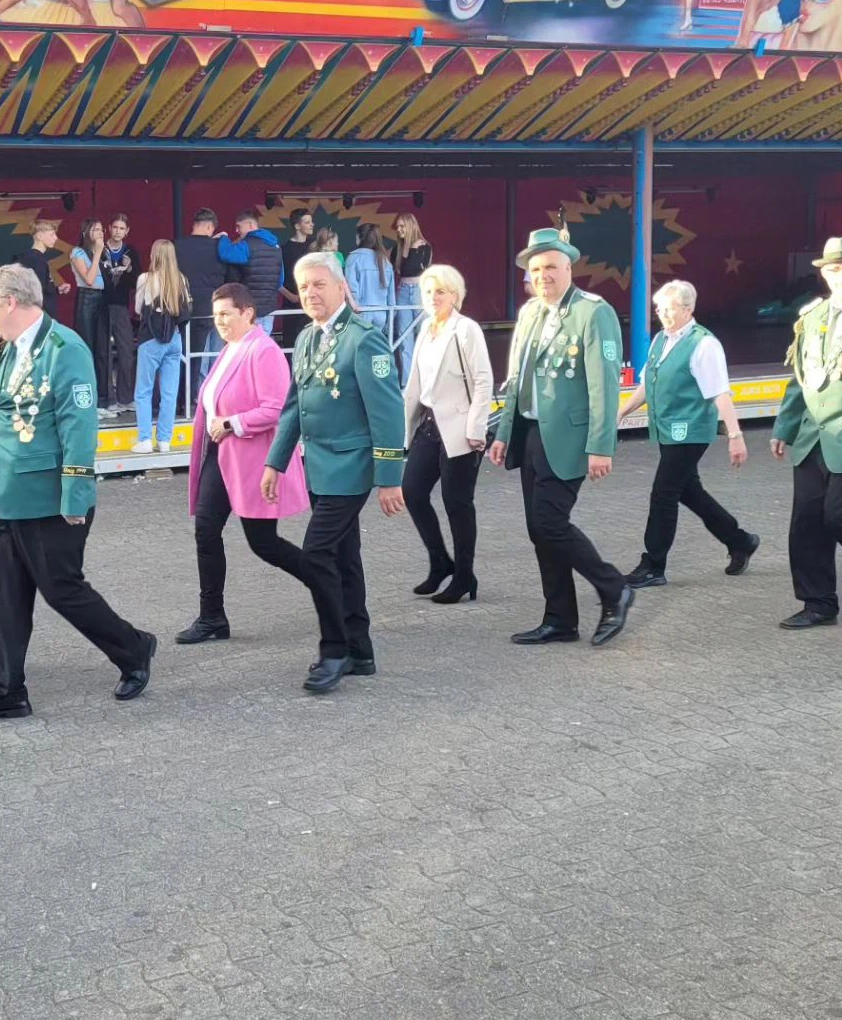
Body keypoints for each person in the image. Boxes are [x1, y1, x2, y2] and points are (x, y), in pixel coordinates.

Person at [0, 265, 157, 721]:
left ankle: (134, 648)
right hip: (10, 497)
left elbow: (79, 428)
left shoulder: (66, 349)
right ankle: (5, 691)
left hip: (48, 499)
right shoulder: (12, 350)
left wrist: (75, 496)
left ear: (10, 301)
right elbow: (0, 421)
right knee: (5, 596)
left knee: (63, 590)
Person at [262, 253, 407, 694]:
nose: (310, 293)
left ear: (342, 287)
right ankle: (360, 650)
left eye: (319, 284)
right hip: (320, 467)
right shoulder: (307, 337)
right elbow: (294, 407)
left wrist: (389, 477)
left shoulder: (363, 339)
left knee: (316, 553)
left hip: (351, 465)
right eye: (304, 286)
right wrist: (275, 462)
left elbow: (387, 410)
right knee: (344, 556)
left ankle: (335, 649)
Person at [489, 224, 634, 648]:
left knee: (550, 523)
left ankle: (614, 588)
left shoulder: (593, 312)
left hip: (570, 437)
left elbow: (604, 385)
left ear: (569, 267)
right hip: (531, 432)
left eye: (551, 267)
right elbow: (517, 379)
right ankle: (560, 619)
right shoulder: (531, 313)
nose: (543, 276)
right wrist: (503, 432)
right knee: (539, 529)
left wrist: (601, 446)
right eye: (536, 270)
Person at [178, 283, 312, 643]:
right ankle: (212, 617)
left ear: (247, 313)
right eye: (216, 315)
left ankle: (324, 579)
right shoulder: (231, 348)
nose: (220, 321)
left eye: (226, 314)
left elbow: (277, 408)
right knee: (206, 531)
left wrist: (231, 423)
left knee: (264, 543)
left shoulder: (263, 350)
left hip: (250, 460)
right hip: (219, 455)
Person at [770, 230, 842, 628]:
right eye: (835, 269)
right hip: (812, 435)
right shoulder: (812, 317)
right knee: (806, 521)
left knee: (841, 516)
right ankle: (818, 603)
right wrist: (783, 427)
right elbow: (799, 379)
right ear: (824, 273)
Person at [615, 280, 758, 588]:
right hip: (667, 429)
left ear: (688, 308)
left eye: (669, 309)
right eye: (659, 309)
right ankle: (740, 540)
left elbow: (720, 393)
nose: (663, 314)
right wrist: (621, 412)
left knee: (663, 493)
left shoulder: (704, 344)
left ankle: (653, 565)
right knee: (688, 491)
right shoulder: (660, 340)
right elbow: (646, 385)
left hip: (691, 430)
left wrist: (735, 436)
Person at [403, 265, 493, 605]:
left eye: (440, 291)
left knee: (457, 503)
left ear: (455, 295)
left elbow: (483, 380)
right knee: (412, 492)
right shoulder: (426, 329)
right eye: (428, 292)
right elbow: (416, 383)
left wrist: (476, 428)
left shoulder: (466, 329)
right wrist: (405, 427)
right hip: (429, 424)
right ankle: (440, 561)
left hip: (459, 427)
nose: (433, 298)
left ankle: (464, 576)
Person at [133, 240, 190, 453]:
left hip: (151, 339)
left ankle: (145, 440)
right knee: (169, 392)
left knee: (144, 391)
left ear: (154, 256)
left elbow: (138, 309)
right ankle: (165, 440)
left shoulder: (145, 279)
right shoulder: (181, 280)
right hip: (175, 339)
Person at [174, 208, 228, 389]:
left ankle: (187, 395)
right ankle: (208, 393)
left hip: (183, 308)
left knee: (185, 355)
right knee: (214, 356)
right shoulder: (218, 248)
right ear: (210, 227)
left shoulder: (177, 246)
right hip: (212, 308)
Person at [69, 219, 115, 419]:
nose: (100, 233)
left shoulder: (104, 253)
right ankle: (89, 403)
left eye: (101, 229)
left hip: (102, 299)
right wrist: (96, 254)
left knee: (103, 351)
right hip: (87, 298)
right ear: (86, 232)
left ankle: (103, 401)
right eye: (95, 229)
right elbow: (88, 279)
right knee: (87, 350)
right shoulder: (78, 252)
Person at [217, 208, 283, 333]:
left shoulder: (247, 245)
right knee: (263, 342)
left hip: (249, 309)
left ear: (251, 225)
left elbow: (226, 254)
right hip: (270, 309)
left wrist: (223, 237)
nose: (236, 230)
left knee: (248, 343)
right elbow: (280, 280)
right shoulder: (276, 247)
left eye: (239, 226)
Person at [101, 212, 139, 413]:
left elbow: (136, 282)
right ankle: (108, 399)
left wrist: (129, 268)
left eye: (122, 228)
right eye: (115, 227)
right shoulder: (100, 249)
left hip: (121, 306)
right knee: (104, 353)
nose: (118, 231)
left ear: (127, 231)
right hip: (101, 306)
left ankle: (126, 398)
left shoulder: (130, 251)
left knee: (126, 352)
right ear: (109, 228)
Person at [392, 212, 433, 386]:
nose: (399, 230)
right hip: (403, 291)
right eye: (398, 227)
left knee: (424, 334)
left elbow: (413, 268)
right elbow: (401, 270)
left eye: (402, 226)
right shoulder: (398, 248)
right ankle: (408, 383)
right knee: (404, 337)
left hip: (418, 291)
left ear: (411, 226)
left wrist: (413, 249)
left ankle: (426, 379)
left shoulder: (423, 247)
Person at [345, 223, 397, 348]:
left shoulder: (354, 258)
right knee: (375, 350)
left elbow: (352, 290)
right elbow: (391, 295)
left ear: (359, 237)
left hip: (361, 312)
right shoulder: (385, 260)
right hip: (381, 313)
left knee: (359, 350)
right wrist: (390, 317)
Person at [15, 218, 69, 319]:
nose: (56, 238)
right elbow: (37, 293)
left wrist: (56, 290)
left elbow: (41, 287)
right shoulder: (37, 261)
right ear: (40, 236)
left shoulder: (31, 258)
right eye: (52, 234)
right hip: (42, 315)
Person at [279, 208, 315, 349]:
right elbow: (276, 277)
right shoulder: (284, 249)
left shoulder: (314, 247)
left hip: (312, 301)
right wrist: (290, 296)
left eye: (311, 221)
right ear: (297, 226)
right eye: (307, 222)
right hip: (292, 303)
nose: (312, 225)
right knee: (292, 343)